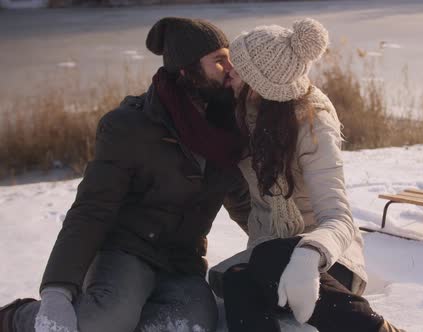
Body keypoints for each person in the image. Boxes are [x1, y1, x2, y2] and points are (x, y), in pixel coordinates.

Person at [0, 17, 250, 332]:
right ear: (187, 70)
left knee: (189, 326)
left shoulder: (229, 128)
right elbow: (92, 209)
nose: (230, 68)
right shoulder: (130, 127)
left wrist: (288, 249)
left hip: (182, 262)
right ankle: (17, 316)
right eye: (219, 60)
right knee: (102, 323)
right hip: (125, 251)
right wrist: (57, 291)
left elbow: (245, 203)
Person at [208, 18, 402, 332]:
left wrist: (308, 256)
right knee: (236, 281)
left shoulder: (313, 122)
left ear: (260, 83)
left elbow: (339, 218)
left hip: (326, 262)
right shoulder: (241, 113)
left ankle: (378, 330)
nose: (228, 67)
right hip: (270, 254)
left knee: (271, 258)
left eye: (239, 66)